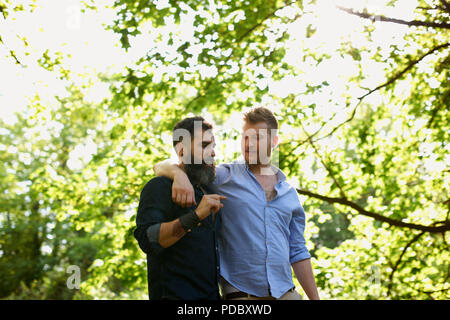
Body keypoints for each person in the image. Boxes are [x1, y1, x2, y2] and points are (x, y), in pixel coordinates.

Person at [154, 107, 320, 300]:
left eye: (257, 137)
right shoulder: (223, 177)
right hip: (242, 296)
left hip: (286, 294)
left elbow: (298, 250)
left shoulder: (289, 194)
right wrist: (178, 175)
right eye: (245, 137)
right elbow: (160, 166)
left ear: (274, 141)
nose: (249, 144)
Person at [134, 116, 226, 300]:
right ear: (183, 151)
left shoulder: (210, 189)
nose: (213, 153)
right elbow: (149, 240)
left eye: (214, 146)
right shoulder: (159, 187)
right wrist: (196, 215)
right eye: (204, 145)